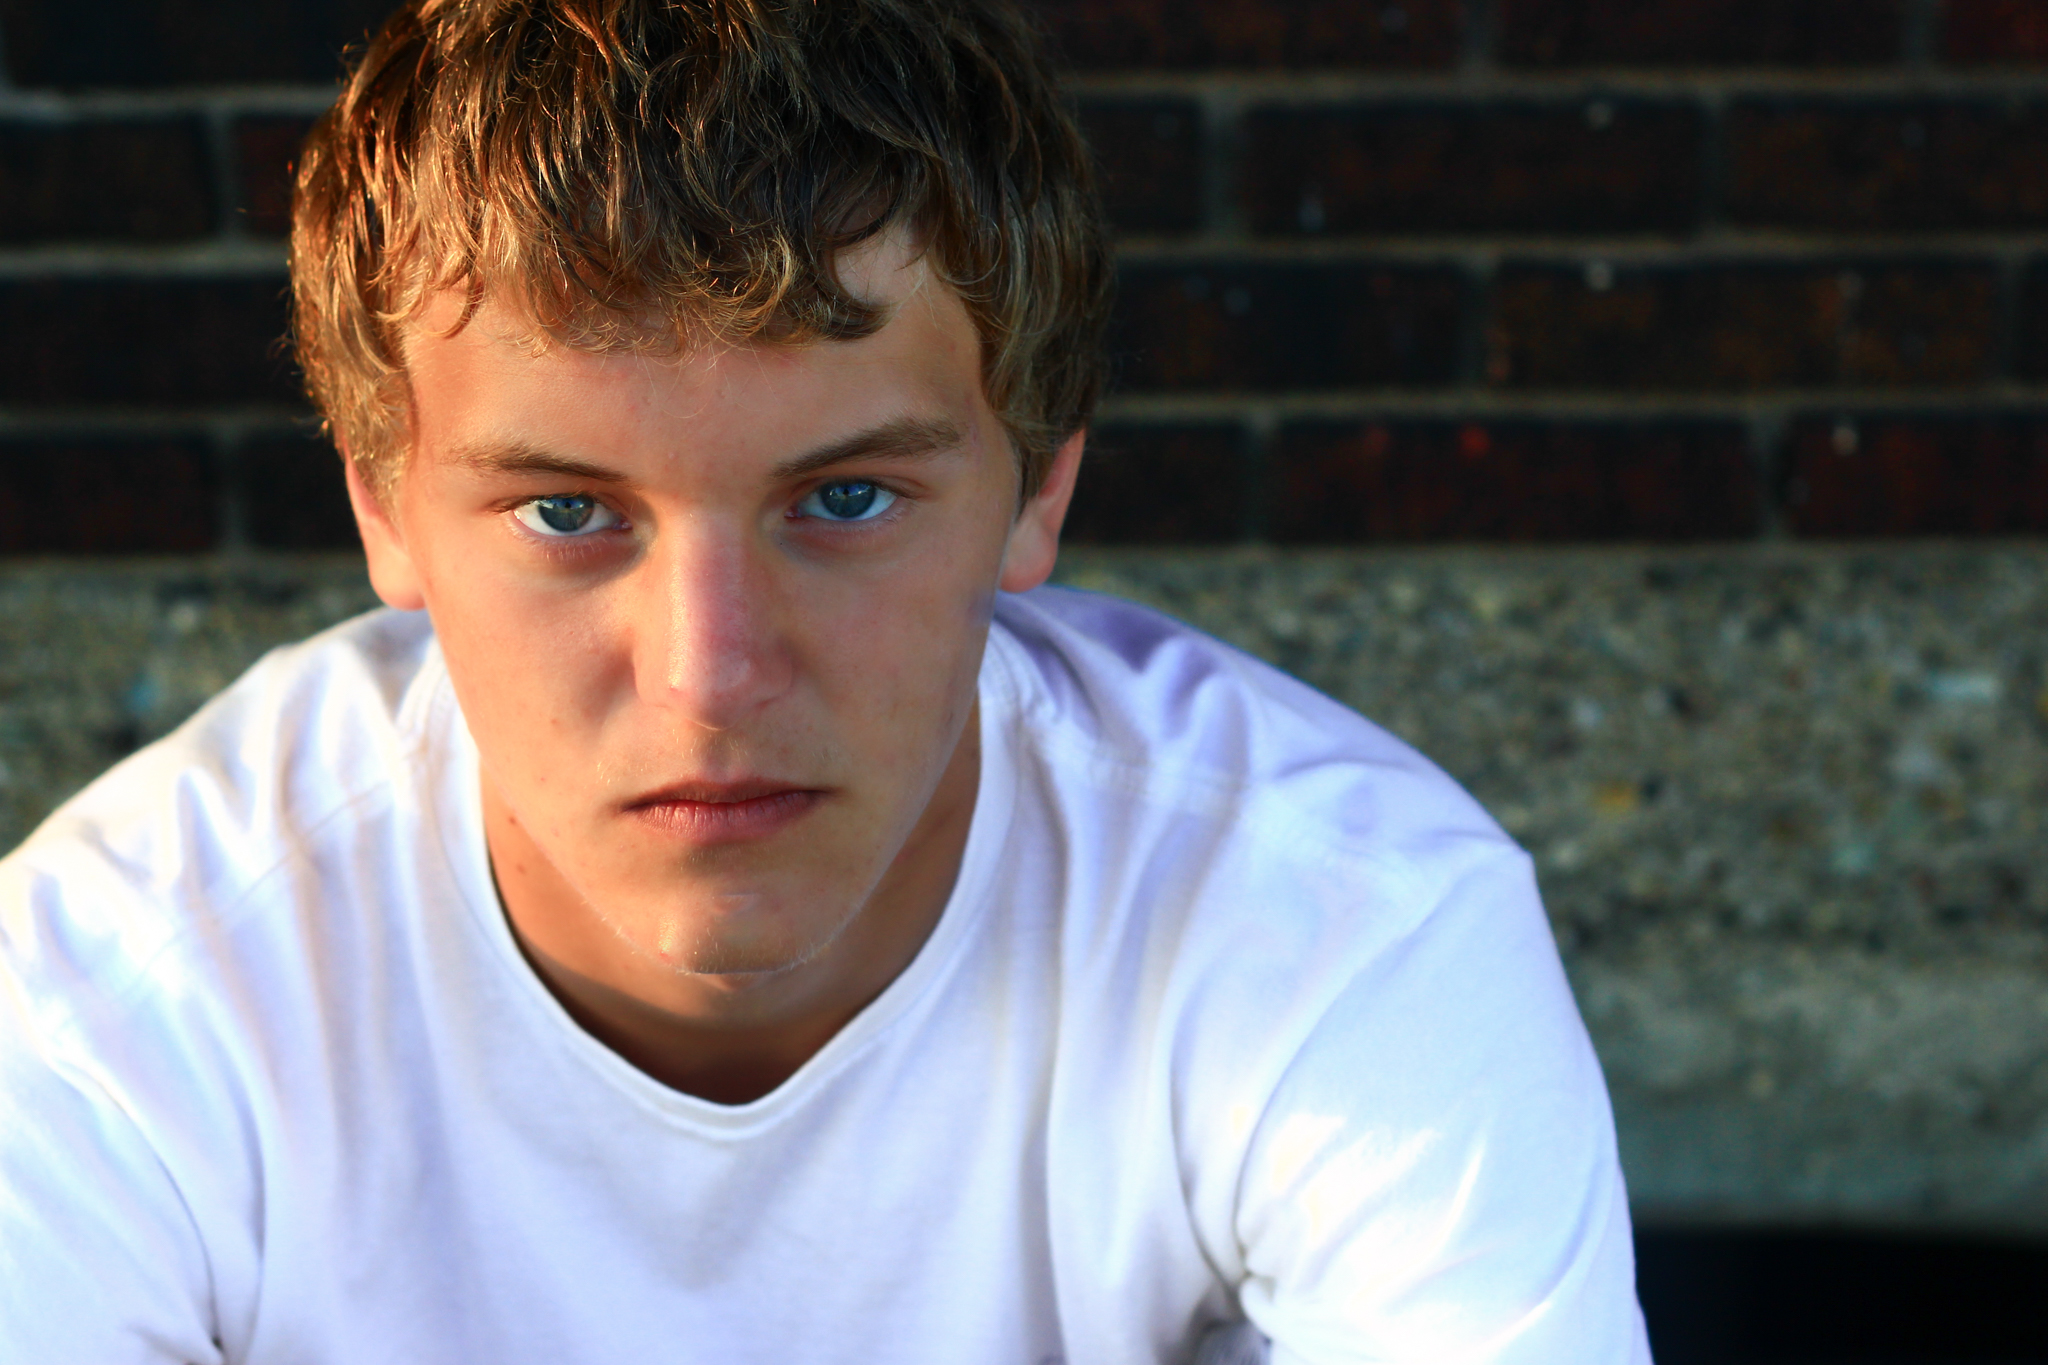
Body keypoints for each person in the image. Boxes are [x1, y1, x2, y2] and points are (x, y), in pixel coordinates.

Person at [0, 0, 1651, 1359]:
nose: (711, 671)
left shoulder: (1342, 925)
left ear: (1040, 487)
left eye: (846, 497)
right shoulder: (110, 1015)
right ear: (384, 507)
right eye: (569, 512)